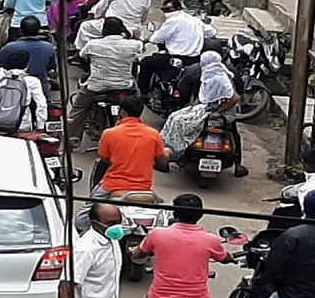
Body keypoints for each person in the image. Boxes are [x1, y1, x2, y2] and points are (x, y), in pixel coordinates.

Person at [122, 194, 232, 298]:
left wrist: (133, 251)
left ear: (175, 213)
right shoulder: (210, 240)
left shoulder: (157, 235)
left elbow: (139, 254)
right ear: (200, 214)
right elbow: (224, 257)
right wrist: (229, 258)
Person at [74, 95, 168, 231]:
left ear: (122, 112)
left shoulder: (109, 134)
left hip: (111, 185)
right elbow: (160, 160)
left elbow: (105, 158)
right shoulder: (154, 135)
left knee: (81, 220)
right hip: (144, 188)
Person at [161, 51, 248, 177]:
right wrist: (193, 108)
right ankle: (238, 163)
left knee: (179, 121)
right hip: (207, 108)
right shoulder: (216, 72)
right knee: (176, 117)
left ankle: (173, 151)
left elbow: (235, 98)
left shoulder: (218, 76)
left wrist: (218, 112)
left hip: (220, 111)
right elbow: (203, 97)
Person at [67, 17, 143, 143]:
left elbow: (81, 55)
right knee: (136, 103)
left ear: (103, 30)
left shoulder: (93, 44)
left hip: (96, 87)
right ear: (121, 29)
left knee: (78, 109)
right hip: (124, 86)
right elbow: (141, 47)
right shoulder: (133, 45)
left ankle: (72, 139)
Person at [139, 0, 216, 96]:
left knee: (146, 63)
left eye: (169, 10)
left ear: (178, 8)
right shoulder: (194, 20)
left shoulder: (173, 21)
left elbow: (155, 39)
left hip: (175, 58)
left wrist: (148, 38)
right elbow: (212, 32)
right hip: (194, 59)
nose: (166, 13)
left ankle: (143, 93)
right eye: (164, 10)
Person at [0, 16, 56, 93]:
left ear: (20, 31)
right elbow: (52, 67)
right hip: (41, 89)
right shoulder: (48, 47)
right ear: (38, 30)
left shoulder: (11, 47)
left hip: (14, 90)